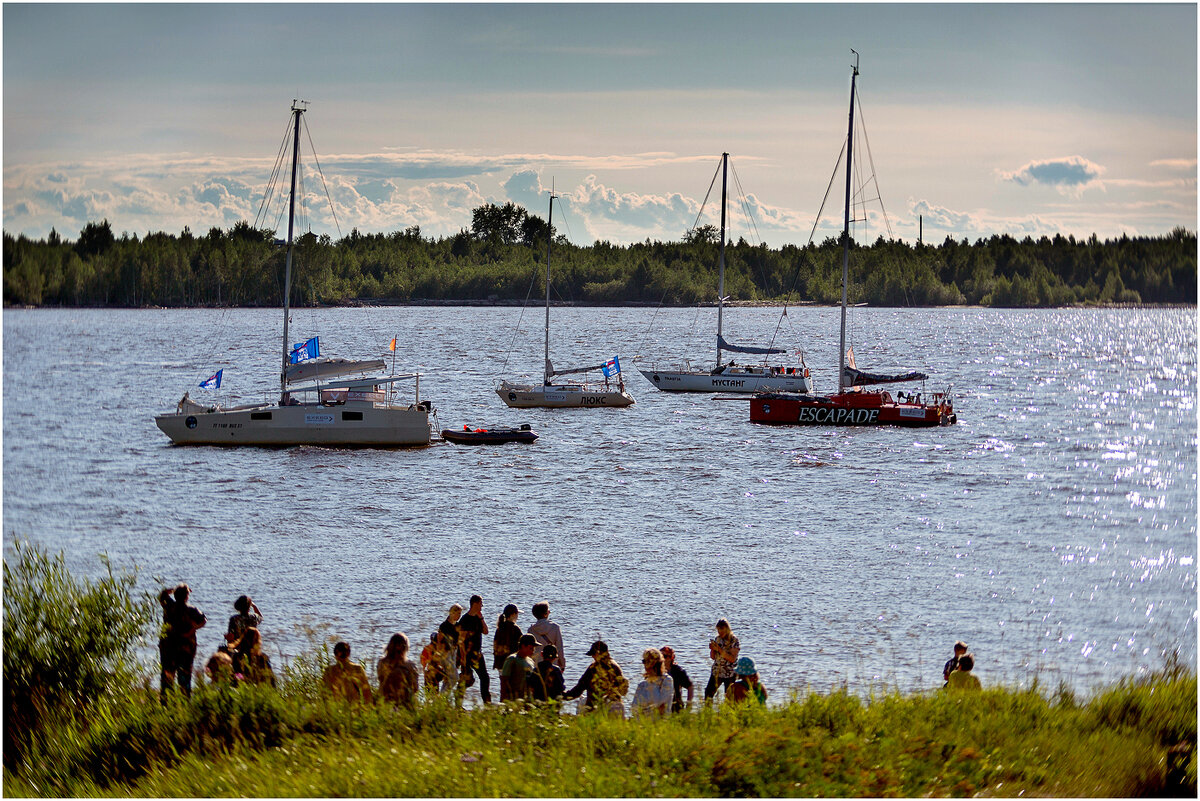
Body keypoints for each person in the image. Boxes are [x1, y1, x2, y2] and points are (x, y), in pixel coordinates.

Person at [159, 583, 207, 700]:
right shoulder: (192, 610)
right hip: (186, 647)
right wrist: (192, 630)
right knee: (185, 675)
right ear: (187, 597)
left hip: (168, 646)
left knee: (167, 674)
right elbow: (204, 620)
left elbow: (162, 594)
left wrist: (174, 589)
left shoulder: (169, 606)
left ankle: (165, 702)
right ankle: (185, 701)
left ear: (175, 595)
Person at [563, 640, 629, 717]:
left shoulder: (593, 669)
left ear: (598, 654)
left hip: (595, 709)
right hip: (615, 707)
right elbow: (623, 692)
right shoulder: (616, 667)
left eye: (593, 654)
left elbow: (579, 689)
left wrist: (563, 696)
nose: (592, 657)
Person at [457, 595, 492, 704]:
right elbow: (461, 640)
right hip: (467, 654)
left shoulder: (478, 618)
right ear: (475, 604)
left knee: (485, 677)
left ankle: (487, 703)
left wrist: (481, 618)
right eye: (481, 604)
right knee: (465, 679)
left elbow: (486, 631)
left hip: (478, 653)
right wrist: (462, 658)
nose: (482, 606)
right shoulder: (465, 619)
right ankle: (458, 704)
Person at [378, 633, 420, 708]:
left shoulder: (382, 663)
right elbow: (415, 688)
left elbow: (381, 680)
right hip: (405, 705)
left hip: (385, 704)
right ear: (406, 648)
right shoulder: (410, 666)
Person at [630, 648, 675, 718]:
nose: (645, 665)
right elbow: (634, 708)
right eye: (644, 661)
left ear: (656, 663)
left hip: (660, 723)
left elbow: (661, 706)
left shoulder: (666, 680)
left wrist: (644, 712)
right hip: (641, 723)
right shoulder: (642, 685)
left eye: (648, 661)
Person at [705, 618, 740, 701]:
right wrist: (712, 649)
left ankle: (728, 713)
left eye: (722, 630)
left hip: (730, 672)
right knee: (708, 694)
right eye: (718, 630)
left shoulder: (734, 640)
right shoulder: (718, 639)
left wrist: (719, 649)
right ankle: (708, 712)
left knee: (729, 697)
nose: (720, 632)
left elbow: (732, 659)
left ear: (727, 629)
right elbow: (713, 657)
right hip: (717, 671)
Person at [500, 633, 542, 702]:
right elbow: (504, 680)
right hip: (513, 698)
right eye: (531, 648)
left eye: (534, 648)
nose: (533, 651)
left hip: (526, 698)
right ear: (523, 646)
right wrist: (503, 699)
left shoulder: (531, 661)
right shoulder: (512, 659)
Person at [527, 602, 565, 672]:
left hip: (536, 664)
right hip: (552, 663)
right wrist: (562, 665)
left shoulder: (531, 629)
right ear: (545, 614)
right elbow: (559, 648)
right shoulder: (555, 627)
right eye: (548, 611)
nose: (549, 612)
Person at [437, 604, 464, 695]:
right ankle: (443, 696)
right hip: (445, 652)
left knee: (449, 677)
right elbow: (439, 641)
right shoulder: (444, 626)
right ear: (452, 613)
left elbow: (460, 641)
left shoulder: (458, 625)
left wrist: (461, 657)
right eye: (458, 613)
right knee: (454, 677)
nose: (459, 616)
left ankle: (442, 698)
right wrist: (438, 657)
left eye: (460, 614)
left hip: (454, 652)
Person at [661, 645, 694, 712]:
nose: (664, 659)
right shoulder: (656, 671)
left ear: (671, 658)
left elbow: (690, 686)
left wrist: (689, 704)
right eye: (662, 656)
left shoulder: (677, 671)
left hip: (675, 705)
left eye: (666, 656)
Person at [493, 604, 522, 672]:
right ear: (513, 614)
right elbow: (521, 644)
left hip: (500, 662)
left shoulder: (499, 628)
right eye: (517, 614)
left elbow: (495, 645)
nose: (517, 616)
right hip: (512, 662)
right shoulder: (515, 628)